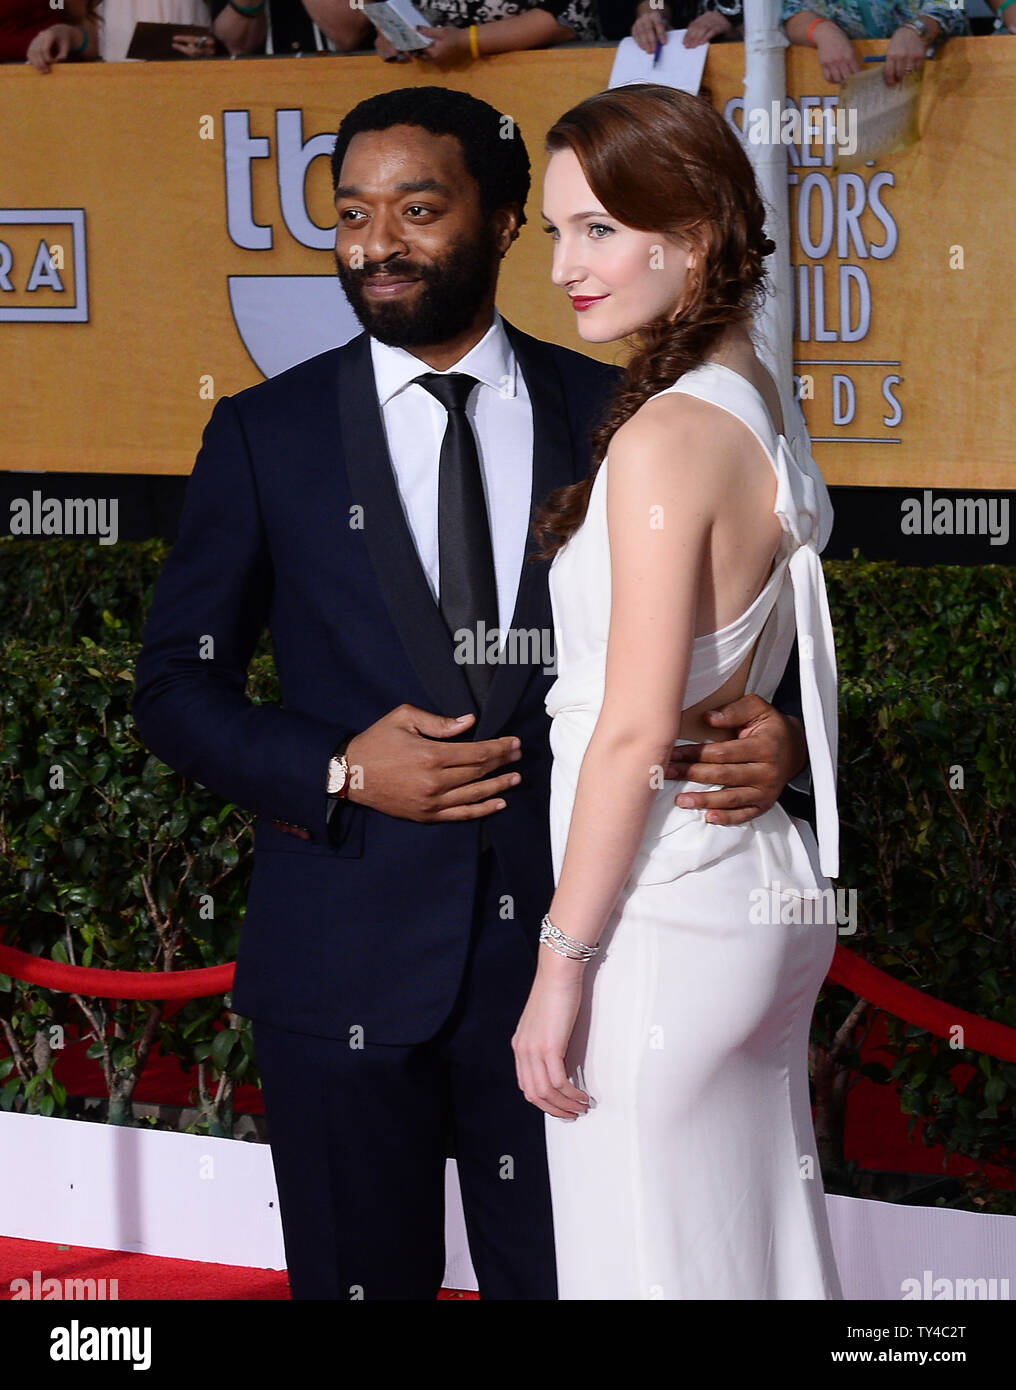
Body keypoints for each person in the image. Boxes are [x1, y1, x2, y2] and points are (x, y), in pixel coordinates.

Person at [132, 84, 811, 1301]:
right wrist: (337, 768)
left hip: (581, 964)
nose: (373, 242)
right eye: (348, 212)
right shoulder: (263, 434)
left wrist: (779, 738)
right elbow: (174, 688)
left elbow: (745, 623)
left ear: (501, 224)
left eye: (416, 208)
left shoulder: (621, 405)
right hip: (341, 966)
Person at [512, 81, 843, 1299]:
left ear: (692, 234)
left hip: (656, 915)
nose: (562, 267)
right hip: (747, 893)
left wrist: (559, 964)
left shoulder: (667, 436)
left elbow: (634, 730)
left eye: (596, 229)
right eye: (553, 231)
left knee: (647, 1267)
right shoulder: (759, 400)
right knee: (746, 1253)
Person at [782, 2, 969, 86]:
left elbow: (955, 4)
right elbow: (790, 12)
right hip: (843, 104)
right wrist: (822, 31)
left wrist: (917, 30)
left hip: (944, 91)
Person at [372, 0, 599, 64]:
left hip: (531, 81)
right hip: (424, 80)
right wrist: (391, 30)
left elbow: (565, 18)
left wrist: (466, 41)